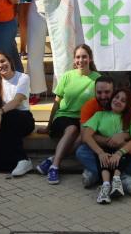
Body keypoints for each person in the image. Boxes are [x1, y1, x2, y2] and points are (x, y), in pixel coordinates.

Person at [35, 44, 101, 184]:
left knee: (83, 135)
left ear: (90, 59)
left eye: (84, 57)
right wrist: (48, 126)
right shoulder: (67, 76)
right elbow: (57, 103)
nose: (81, 60)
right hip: (64, 117)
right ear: (74, 60)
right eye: (78, 57)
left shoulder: (97, 78)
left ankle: (52, 160)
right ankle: (55, 167)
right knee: (72, 130)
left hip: (86, 119)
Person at [76, 76, 131, 192]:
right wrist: (110, 142)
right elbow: (84, 136)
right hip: (101, 149)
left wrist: (123, 136)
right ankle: (122, 179)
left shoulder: (129, 104)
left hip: (124, 149)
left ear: (113, 90)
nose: (103, 96)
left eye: (107, 92)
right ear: (95, 92)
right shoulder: (91, 107)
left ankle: (99, 176)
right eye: (99, 92)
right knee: (81, 151)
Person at [23, 0, 69, 103]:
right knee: (34, 52)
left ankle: (60, 90)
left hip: (57, 10)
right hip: (37, 10)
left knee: (60, 51)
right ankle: (35, 91)